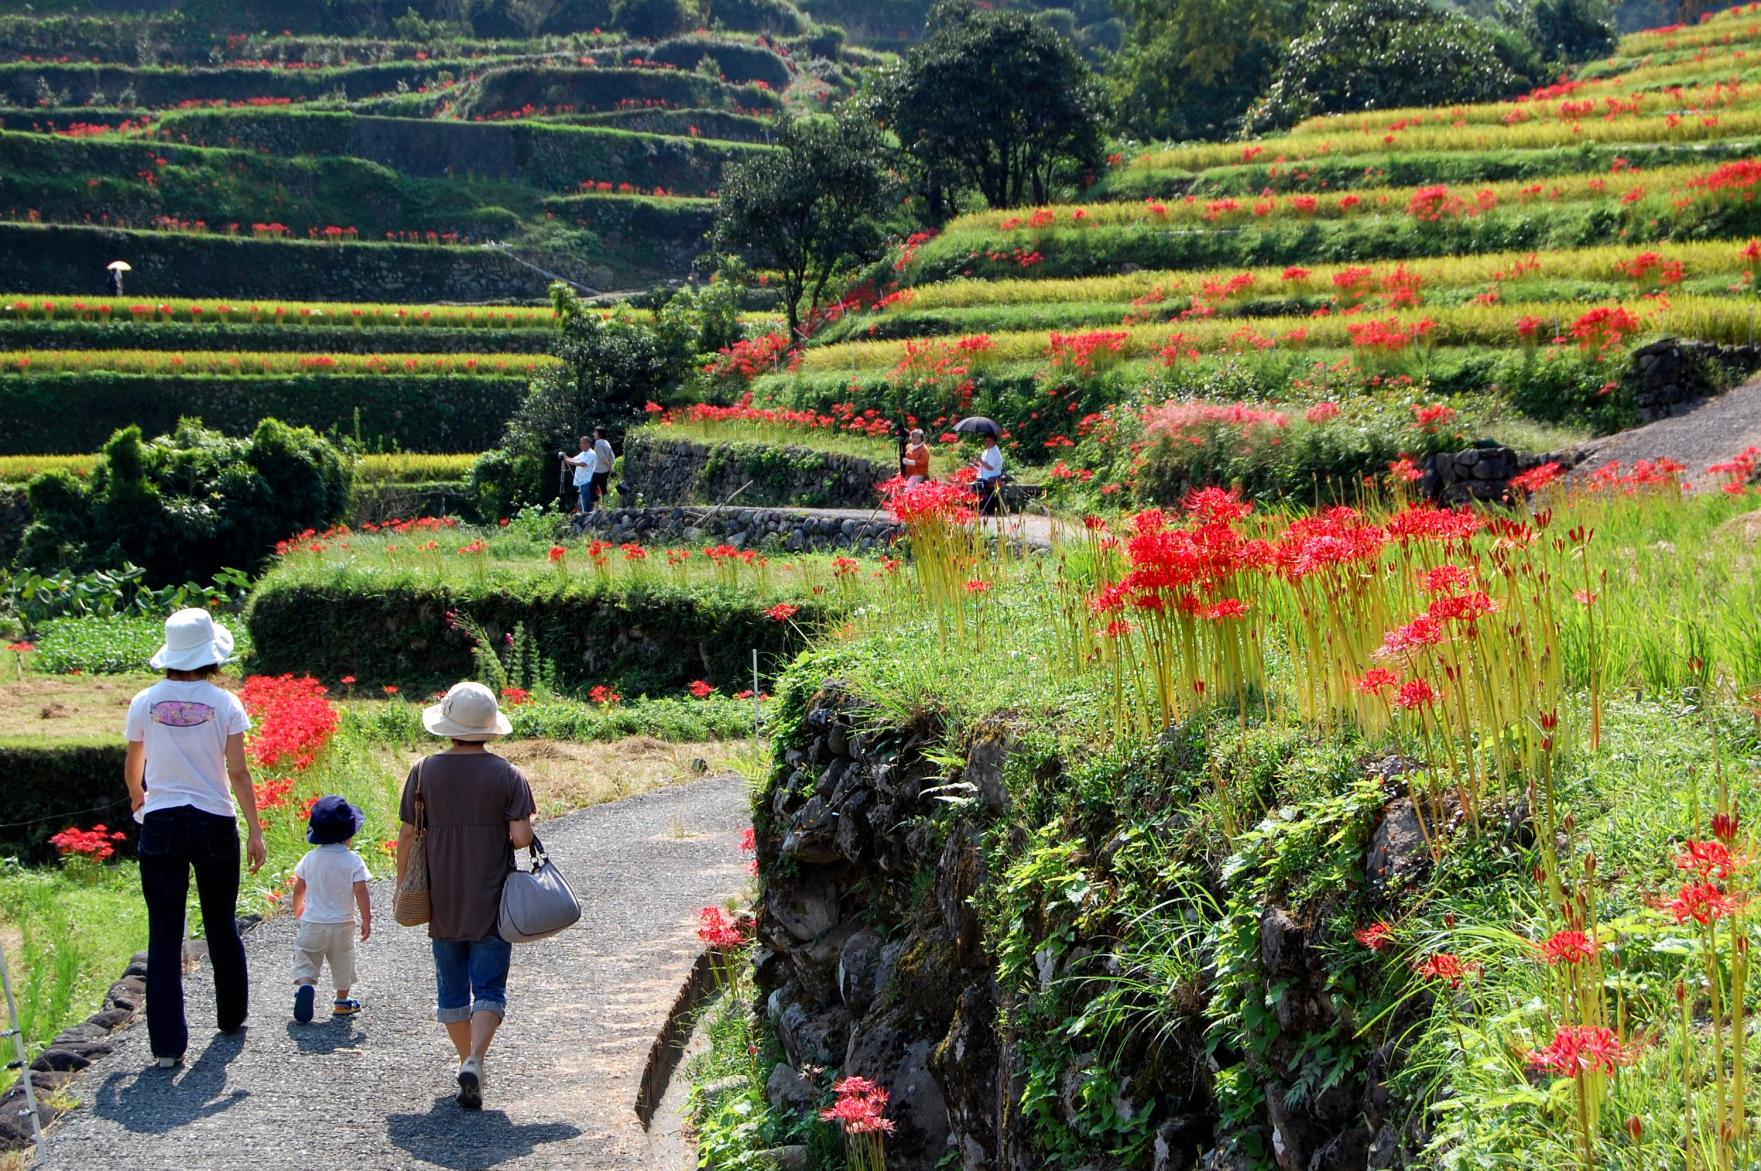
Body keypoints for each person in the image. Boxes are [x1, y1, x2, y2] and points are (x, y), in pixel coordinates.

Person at [124, 608, 266, 1069]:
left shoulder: (144, 701)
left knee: (164, 932)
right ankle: (230, 1016)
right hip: (213, 820)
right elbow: (239, 772)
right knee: (220, 922)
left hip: (162, 821)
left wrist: (138, 800)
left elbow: (134, 767)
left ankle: (167, 1047)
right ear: (211, 656)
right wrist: (255, 830)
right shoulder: (225, 704)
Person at [396, 682, 536, 1111]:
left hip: (441, 899)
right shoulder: (509, 776)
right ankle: (475, 1058)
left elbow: (406, 834)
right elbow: (520, 839)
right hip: (492, 900)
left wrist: (403, 881)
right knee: (490, 985)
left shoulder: (422, 772)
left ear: (448, 726)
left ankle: (466, 1061)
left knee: (452, 990)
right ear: (490, 729)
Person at [290, 796, 372, 1024]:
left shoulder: (310, 858)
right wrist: (366, 918)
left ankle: (306, 985)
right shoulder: (353, 860)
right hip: (343, 924)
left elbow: (300, 886)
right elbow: (361, 890)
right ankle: (342, 1002)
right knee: (342, 962)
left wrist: (298, 906)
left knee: (306, 956)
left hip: (313, 922)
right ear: (348, 835)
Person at [975, 433, 1005, 516]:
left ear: (995, 442)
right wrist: (976, 462)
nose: (987, 443)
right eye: (986, 441)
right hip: (983, 475)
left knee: (978, 485)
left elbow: (990, 467)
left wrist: (980, 461)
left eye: (989, 441)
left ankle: (984, 509)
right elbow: (983, 465)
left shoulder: (995, 452)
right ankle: (977, 507)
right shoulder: (986, 451)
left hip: (991, 476)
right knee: (972, 484)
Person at [563, 436, 594, 513]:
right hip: (582, 482)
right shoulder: (583, 453)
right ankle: (585, 517)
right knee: (582, 502)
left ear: (588, 444)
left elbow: (583, 464)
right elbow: (573, 459)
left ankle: (588, 517)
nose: (580, 445)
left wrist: (568, 461)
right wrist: (564, 456)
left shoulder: (591, 453)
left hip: (588, 481)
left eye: (582, 443)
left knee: (586, 502)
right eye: (580, 443)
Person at [591, 427, 615, 506]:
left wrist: (610, 466)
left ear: (600, 434)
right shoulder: (606, 442)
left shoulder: (597, 443)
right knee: (603, 488)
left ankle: (596, 507)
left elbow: (602, 457)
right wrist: (610, 467)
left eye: (595, 432)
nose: (594, 434)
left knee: (591, 488)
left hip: (598, 470)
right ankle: (605, 506)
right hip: (606, 470)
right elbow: (612, 456)